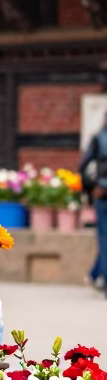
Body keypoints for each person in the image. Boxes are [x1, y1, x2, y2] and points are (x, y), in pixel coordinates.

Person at [80, 113, 107, 291]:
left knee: (104, 236)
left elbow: (83, 166)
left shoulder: (100, 138)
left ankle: (100, 277)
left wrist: (89, 190)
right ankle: (96, 274)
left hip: (102, 191)